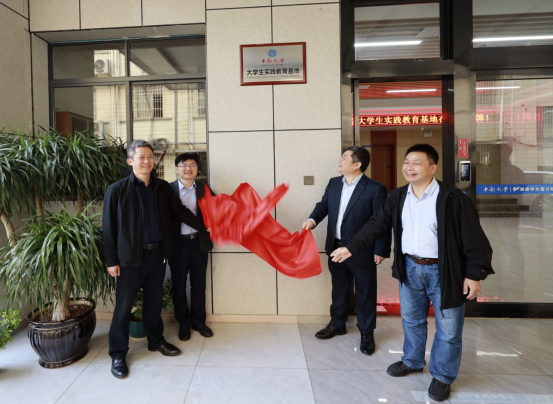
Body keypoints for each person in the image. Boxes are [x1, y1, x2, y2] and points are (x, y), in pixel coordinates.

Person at [331, 144, 494, 401]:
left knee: (449, 329)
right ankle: (413, 360)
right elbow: (376, 225)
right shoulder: (398, 196)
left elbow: (474, 238)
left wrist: (473, 275)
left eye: (416, 163)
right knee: (411, 320)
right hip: (409, 267)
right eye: (407, 162)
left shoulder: (453, 198)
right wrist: (350, 248)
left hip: (445, 271)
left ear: (432, 167)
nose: (409, 167)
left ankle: (442, 376)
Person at [103, 140, 207, 379]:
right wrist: (111, 261)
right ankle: (118, 354)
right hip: (130, 258)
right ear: (130, 161)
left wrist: (205, 226)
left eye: (150, 156)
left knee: (154, 302)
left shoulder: (162, 188)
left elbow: (179, 211)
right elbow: (108, 228)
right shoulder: (117, 190)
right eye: (141, 157)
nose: (147, 161)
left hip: (157, 254)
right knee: (123, 307)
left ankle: (156, 340)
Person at [302, 146, 391, 355]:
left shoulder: (375, 188)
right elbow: (324, 205)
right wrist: (312, 220)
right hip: (335, 246)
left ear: (357, 164)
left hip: (362, 249)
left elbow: (382, 222)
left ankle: (366, 332)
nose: (340, 161)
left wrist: (381, 250)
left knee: (365, 291)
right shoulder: (334, 183)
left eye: (344, 157)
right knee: (339, 287)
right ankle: (337, 324)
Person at [169, 153, 215, 341]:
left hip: (199, 243)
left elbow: (219, 209)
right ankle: (183, 324)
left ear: (197, 168)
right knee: (178, 285)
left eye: (193, 165)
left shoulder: (205, 188)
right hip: (178, 245)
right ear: (177, 168)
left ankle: (198, 322)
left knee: (199, 284)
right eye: (184, 165)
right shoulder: (168, 190)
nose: (188, 168)